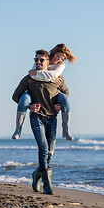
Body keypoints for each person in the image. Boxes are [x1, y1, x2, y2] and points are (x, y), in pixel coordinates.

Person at [12, 49, 69, 195]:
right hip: (37, 118)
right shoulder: (29, 78)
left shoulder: (56, 78)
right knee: (43, 149)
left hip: (52, 119)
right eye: (36, 59)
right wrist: (30, 106)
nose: (38, 62)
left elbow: (66, 93)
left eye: (41, 60)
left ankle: (36, 174)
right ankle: (47, 185)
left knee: (50, 153)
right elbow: (15, 96)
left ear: (48, 62)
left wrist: (60, 105)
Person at [11, 43, 76, 140]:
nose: (59, 60)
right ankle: (18, 130)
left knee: (65, 98)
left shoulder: (60, 66)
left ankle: (66, 130)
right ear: (52, 54)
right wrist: (30, 106)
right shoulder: (40, 62)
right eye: (58, 57)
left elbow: (63, 88)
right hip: (37, 113)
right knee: (25, 97)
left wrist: (60, 105)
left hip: (51, 115)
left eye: (62, 59)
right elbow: (33, 74)